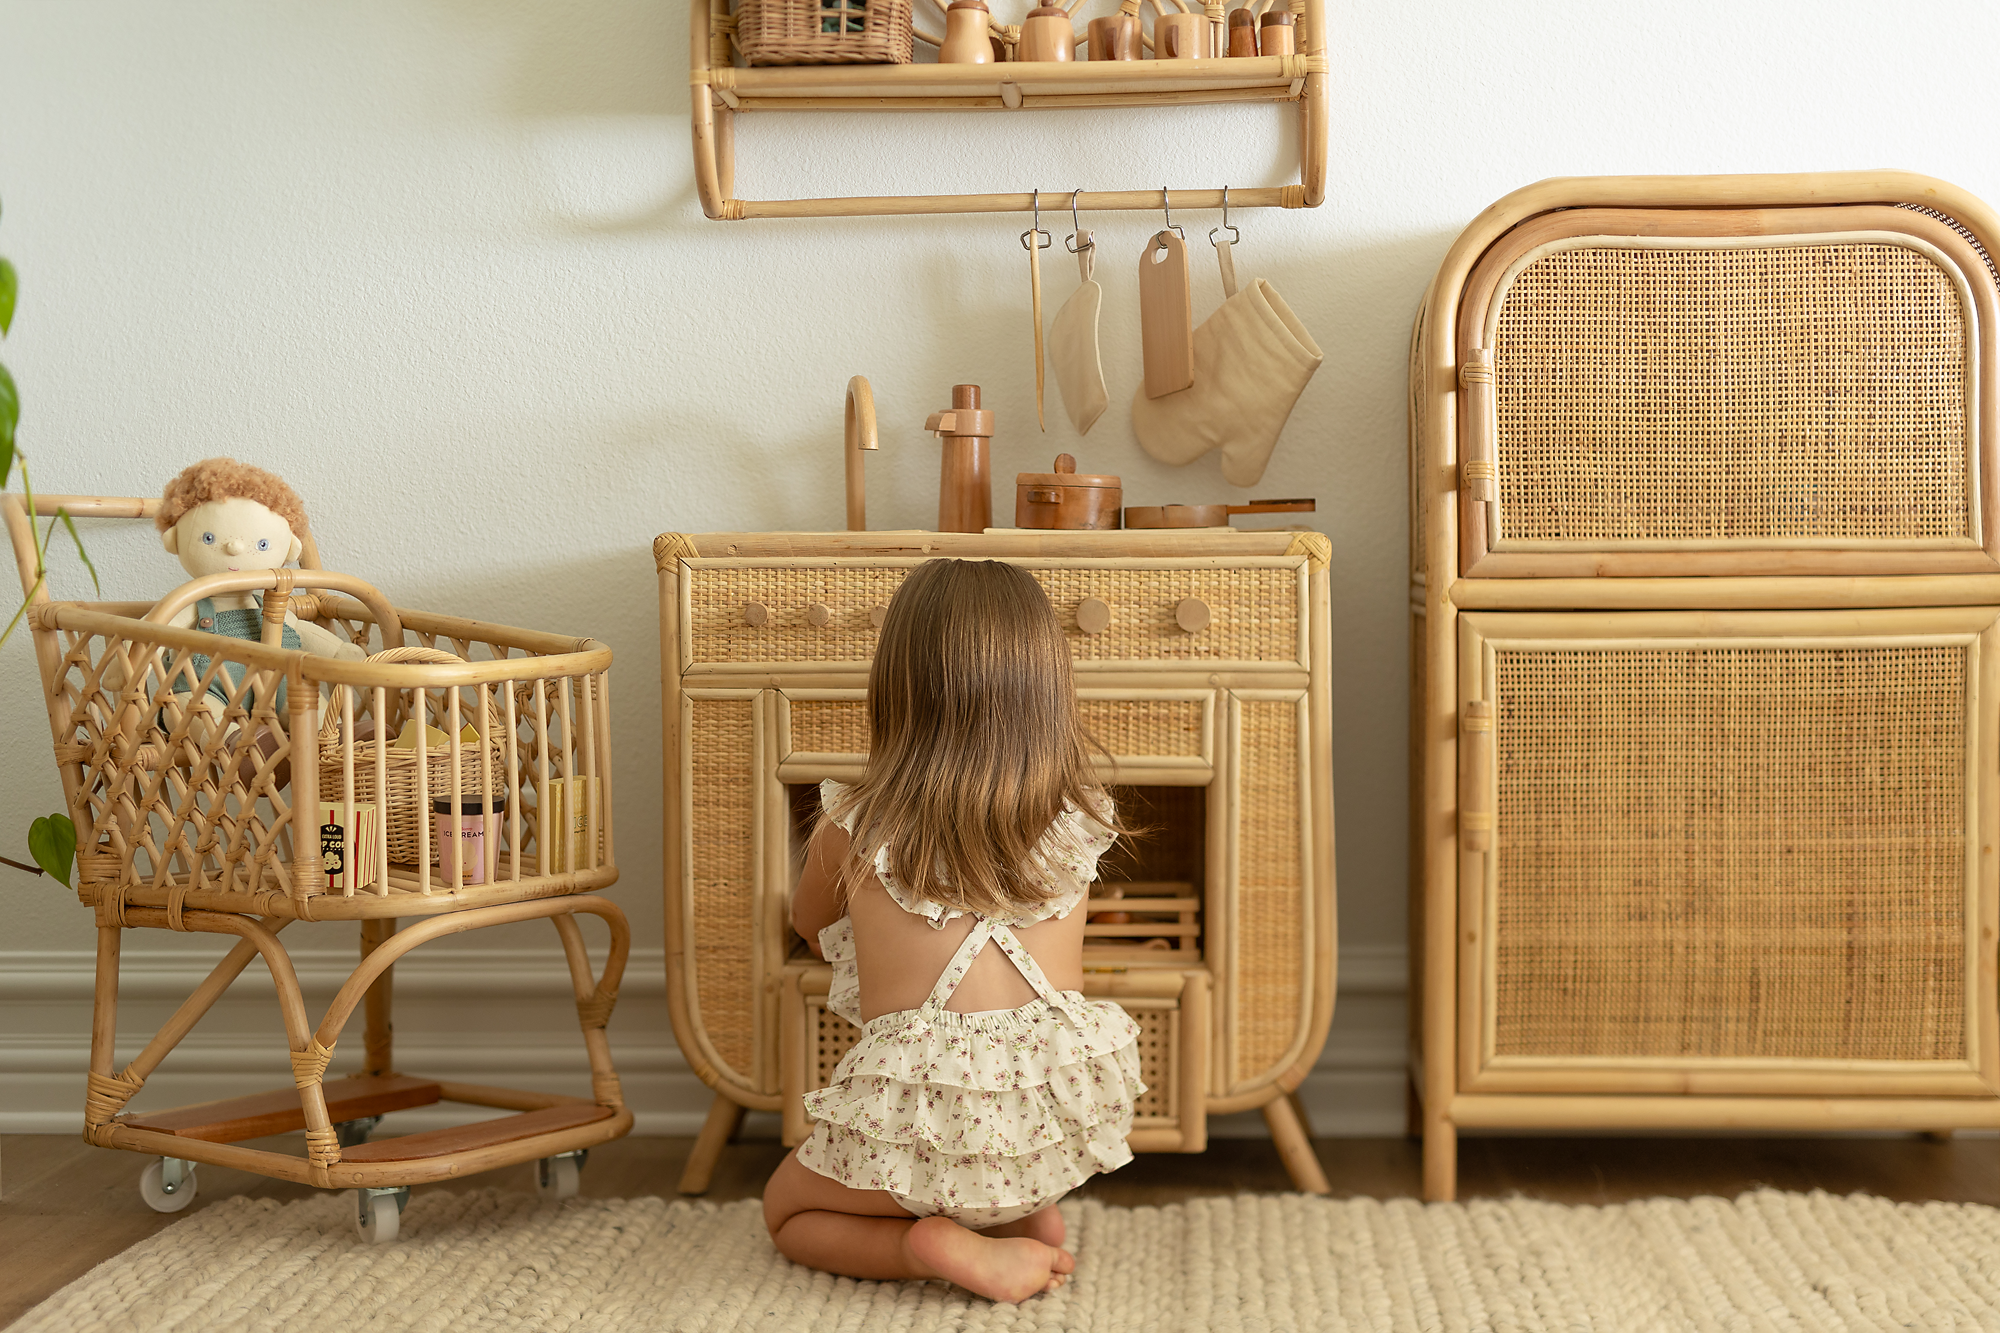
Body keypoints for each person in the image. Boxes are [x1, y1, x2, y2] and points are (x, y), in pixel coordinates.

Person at [762, 558, 1141, 1304]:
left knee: (788, 1209)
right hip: (1051, 1132)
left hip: (932, 1133)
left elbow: (807, 923)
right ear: (1047, 690)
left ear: (898, 689)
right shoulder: (1081, 819)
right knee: (992, 1118)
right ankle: (1017, 1214)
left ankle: (925, 1242)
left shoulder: (853, 820)